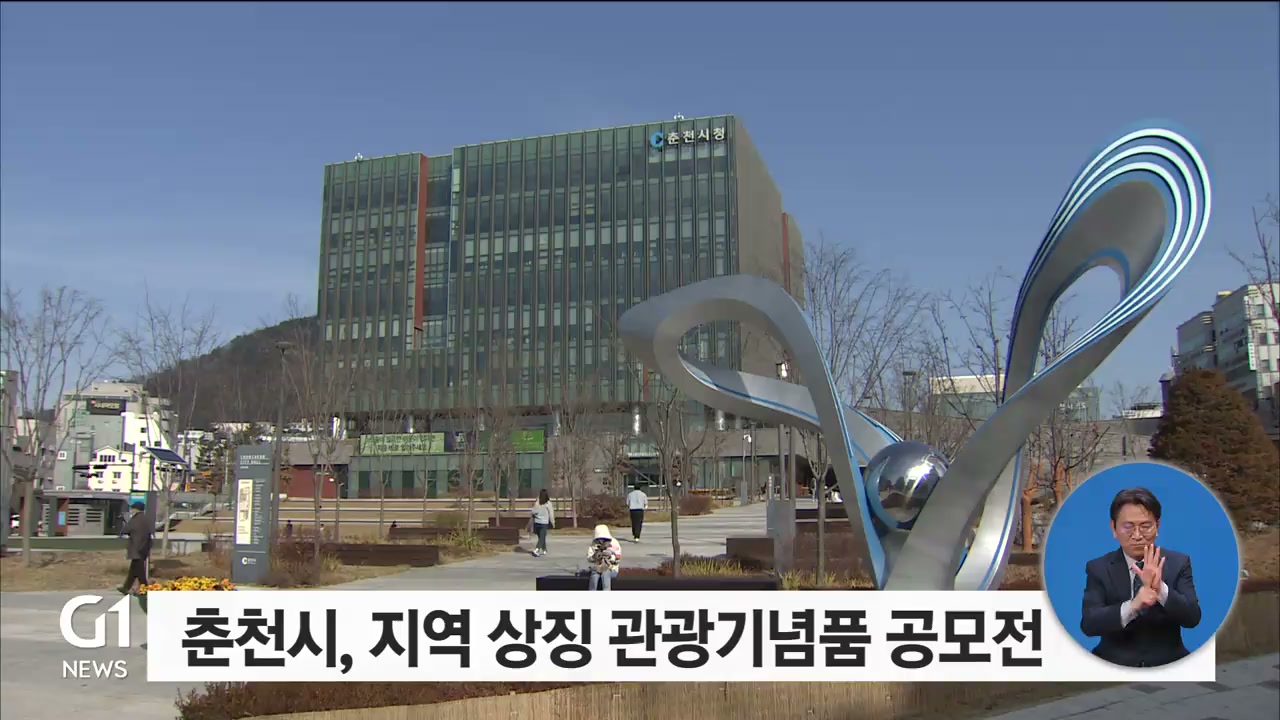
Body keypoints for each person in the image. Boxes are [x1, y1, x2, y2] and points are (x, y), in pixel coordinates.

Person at [1080, 487, 1201, 667]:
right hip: (1113, 664)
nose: (1137, 536)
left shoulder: (1178, 563)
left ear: (1157, 526)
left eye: (1145, 526)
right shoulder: (1099, 568)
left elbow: (1192, 618)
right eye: (1128, 527)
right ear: (1114, 528)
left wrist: (1161, 590)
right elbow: (1089, 624)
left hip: (1169, 663)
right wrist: (1133, 605)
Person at [117, 501, 153, 595]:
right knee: (134, 570)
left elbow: (125, 530)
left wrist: (124, 522)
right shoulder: (146, 519)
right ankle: (126, 587)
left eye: (133, 508)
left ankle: (146, 589)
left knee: (140, 571)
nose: (132, 510)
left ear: (136, 509)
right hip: (144, 548)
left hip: (136, 548)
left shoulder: (135, 519)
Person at [587, 524, 622, 591]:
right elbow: (589, 558)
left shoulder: (614, 543)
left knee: (605, 573)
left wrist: (610, 557)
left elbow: (618, 559)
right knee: (594, 574)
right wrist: (595, 557)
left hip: (611, 568)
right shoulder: (594, 544)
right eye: (599, 538)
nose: (601, 540)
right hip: (597, 567)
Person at [529, 488, 555, 557]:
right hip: (544, 523)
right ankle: (536, 550)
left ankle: (544, 549)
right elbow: (551, 514)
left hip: (537, 522)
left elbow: (533, 512)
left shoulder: (537, 503)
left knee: (541, 537)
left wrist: (537, 513)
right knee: (542, 537)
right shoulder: (548, 503)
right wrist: (553, 522)